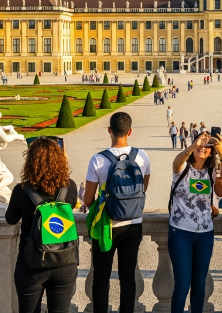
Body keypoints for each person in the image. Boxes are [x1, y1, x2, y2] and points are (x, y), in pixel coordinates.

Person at [83, 112, 151, 313]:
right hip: (133, 223)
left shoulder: (98, 160)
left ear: (109, 131)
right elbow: (143, 189)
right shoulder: (142, 156)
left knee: (101, 278)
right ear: (129, 131)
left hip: (107, 225)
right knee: (127, 277)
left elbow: (87, 200)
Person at [6, 137, 78, 313]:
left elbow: (11, 219)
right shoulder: (70, 187)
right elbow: (73, 203)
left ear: (29, 162)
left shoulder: (21, 190)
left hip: (32, 263)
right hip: (64, 261)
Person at [168, 132, 222, 313]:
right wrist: (194, 145)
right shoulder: (182, 168)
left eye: (207, 146)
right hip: (180, 232)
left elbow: (221, 192)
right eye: (199, 145)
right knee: (182, 285)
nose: (203, 147)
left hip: (204, 233)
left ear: (211, 153)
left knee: (199, 284)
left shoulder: (212, 171)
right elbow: (177, 162)